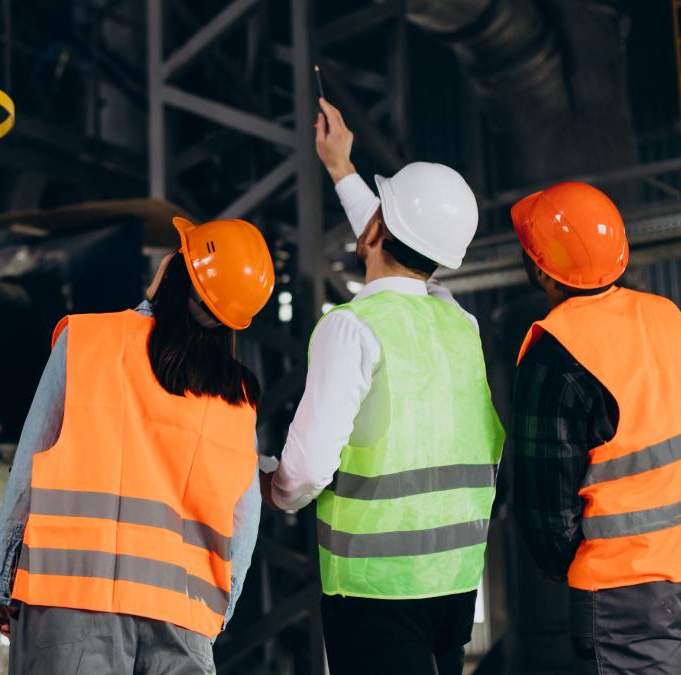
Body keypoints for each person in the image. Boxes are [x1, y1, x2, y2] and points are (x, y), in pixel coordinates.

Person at [262, 98, 505, 675]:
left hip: (373, 592)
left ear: (375, 229)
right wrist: (341, 168)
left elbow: (303, 476)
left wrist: (272, 485)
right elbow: (403, 244)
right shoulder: (458, 324)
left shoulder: (351, 329)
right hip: (453, 583)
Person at [0, 217, 275, 674]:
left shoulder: (87, 341)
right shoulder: (238, 397)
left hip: (69, 600)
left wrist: (4, 581)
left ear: (173, 272)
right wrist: (214, 613)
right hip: (183, 620)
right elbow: (244, 522)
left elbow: (29, 468)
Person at [509, 181, 681, 674]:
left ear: (538, 266)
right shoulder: (674, 319)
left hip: (629, 584)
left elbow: (547, 505)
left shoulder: (556, 355)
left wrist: (561, 565)